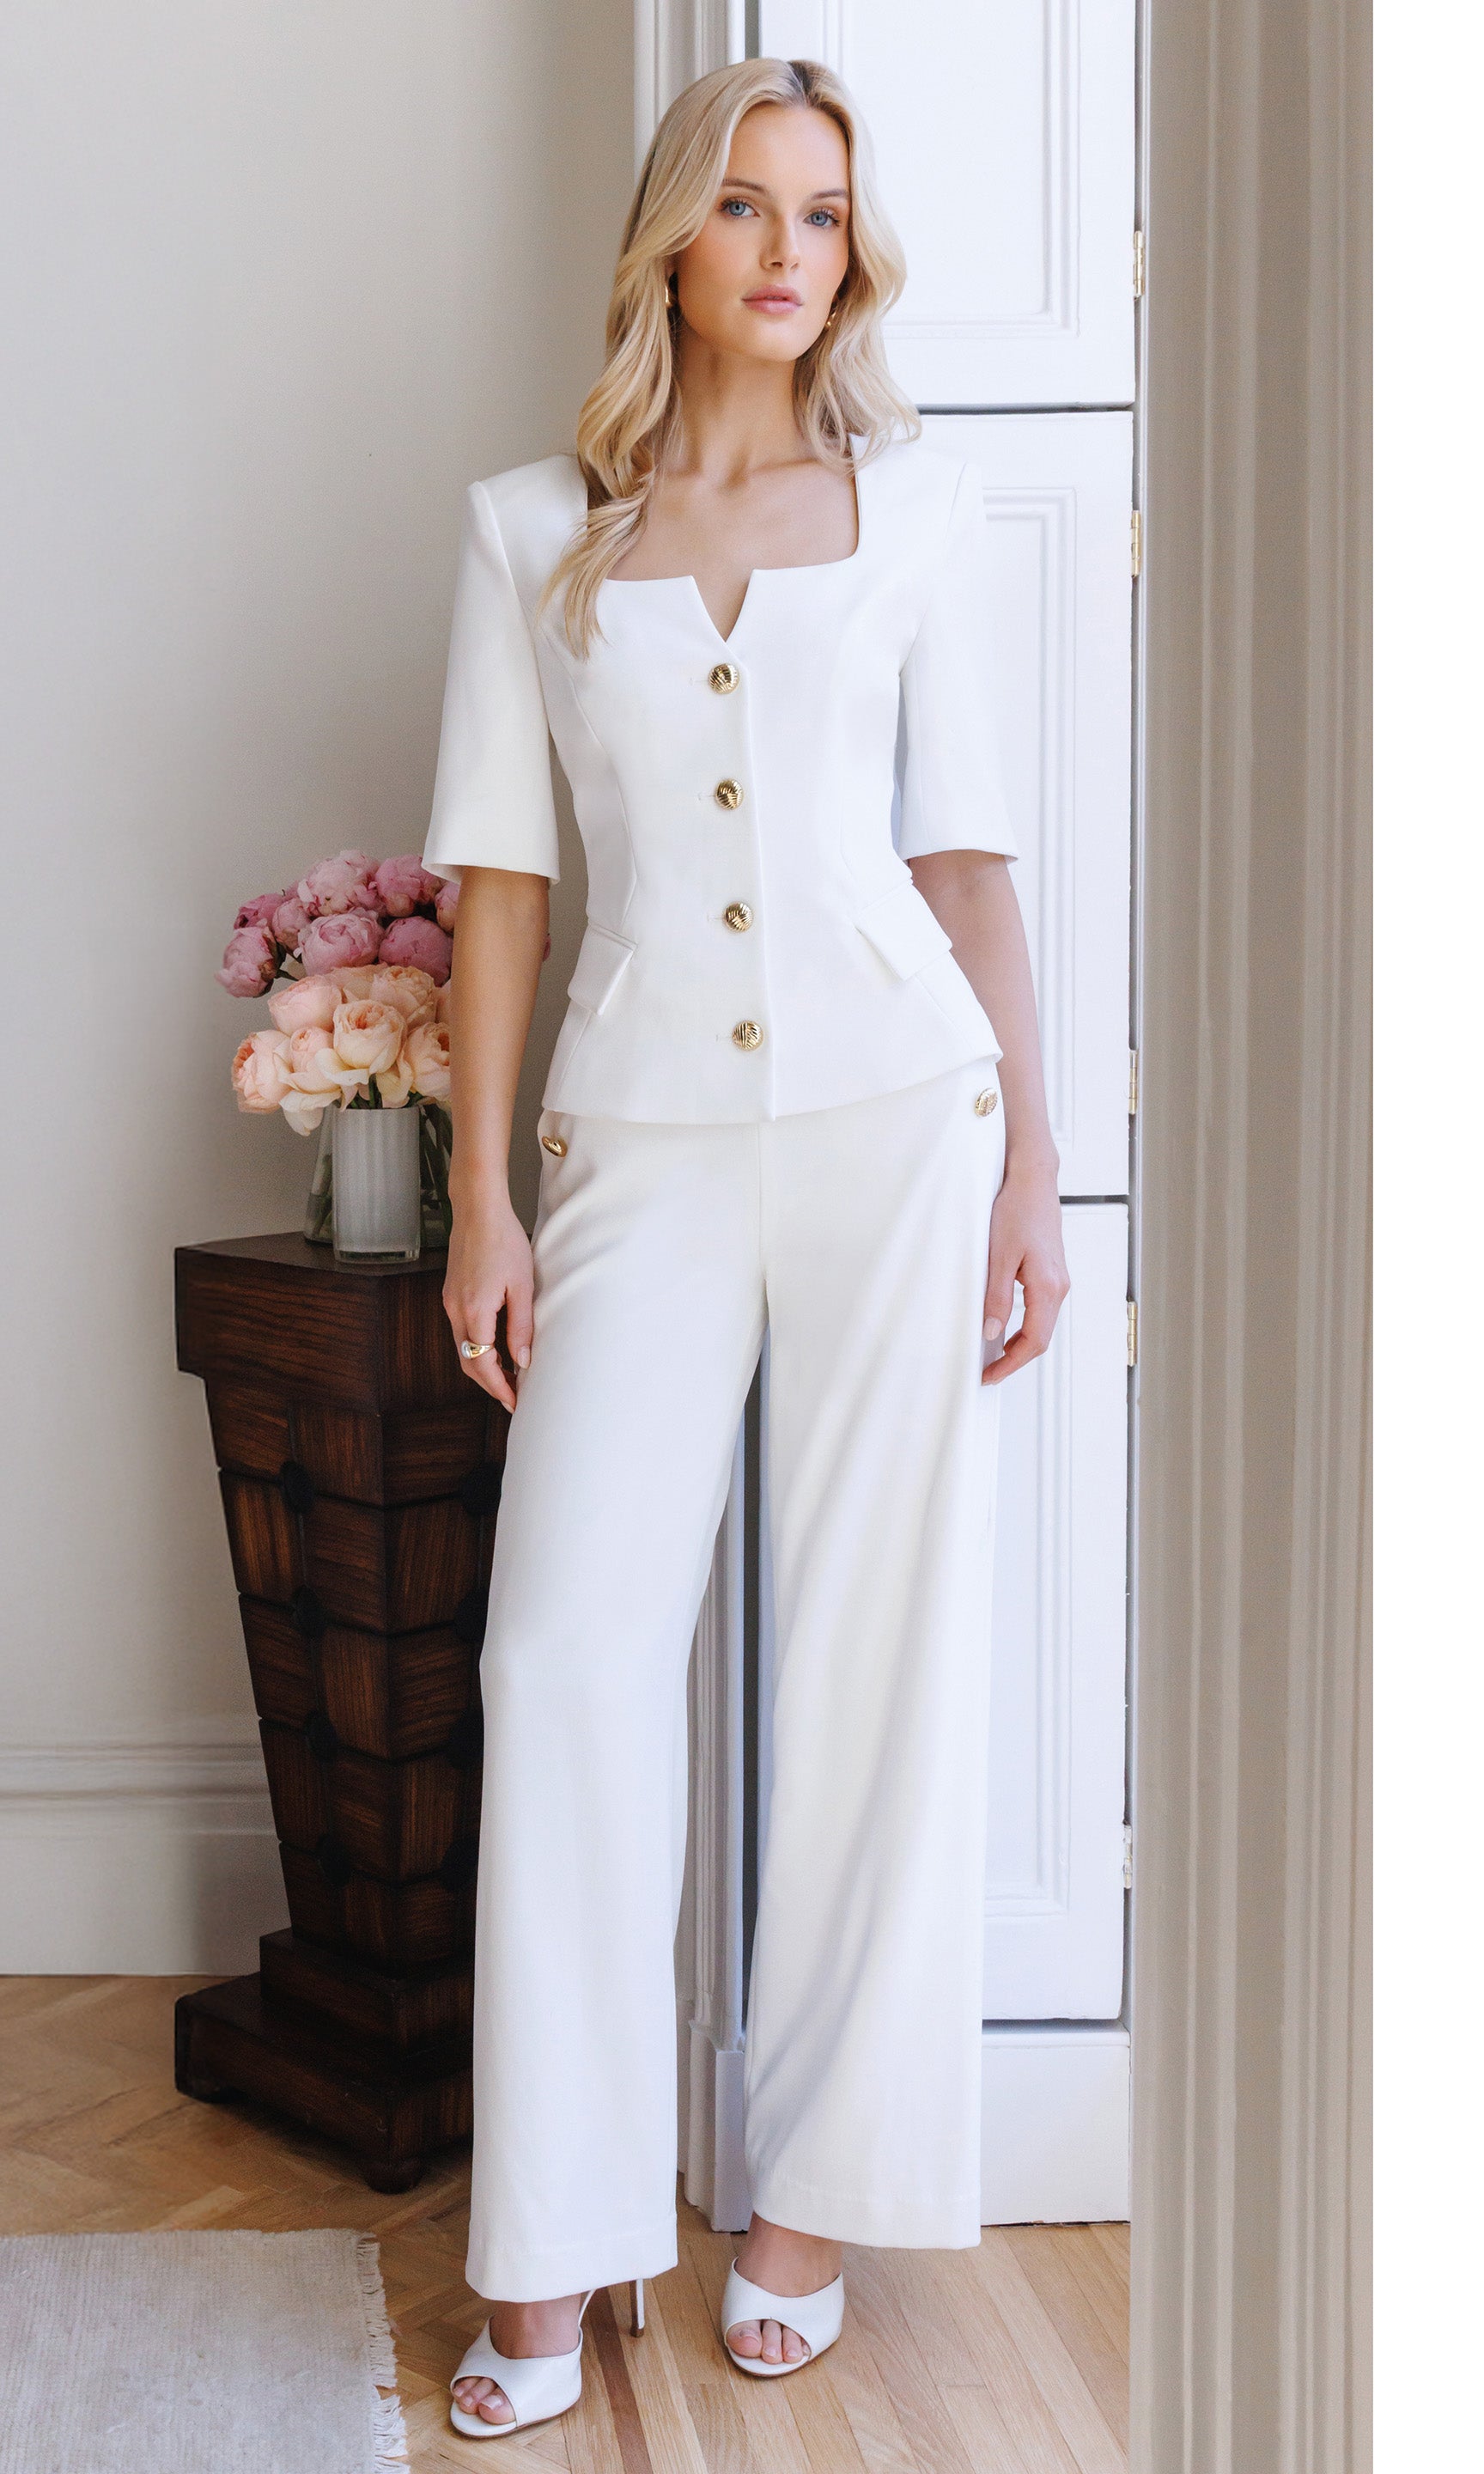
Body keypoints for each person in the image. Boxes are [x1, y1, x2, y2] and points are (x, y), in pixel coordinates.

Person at [422, 54, 1070, 2439]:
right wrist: (486, 1194)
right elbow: (500, 883)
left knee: (877, 1657)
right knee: (569, 1655)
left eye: (825, 213)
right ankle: (559, 2238)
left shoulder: (912, 515)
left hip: (907, 1119)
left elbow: (973, 860)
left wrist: (1025, 1173)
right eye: (747, 208)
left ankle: (805, 2201)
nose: (792, 251)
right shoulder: (528, 534)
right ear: (672, 245)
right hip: (640, 1133)